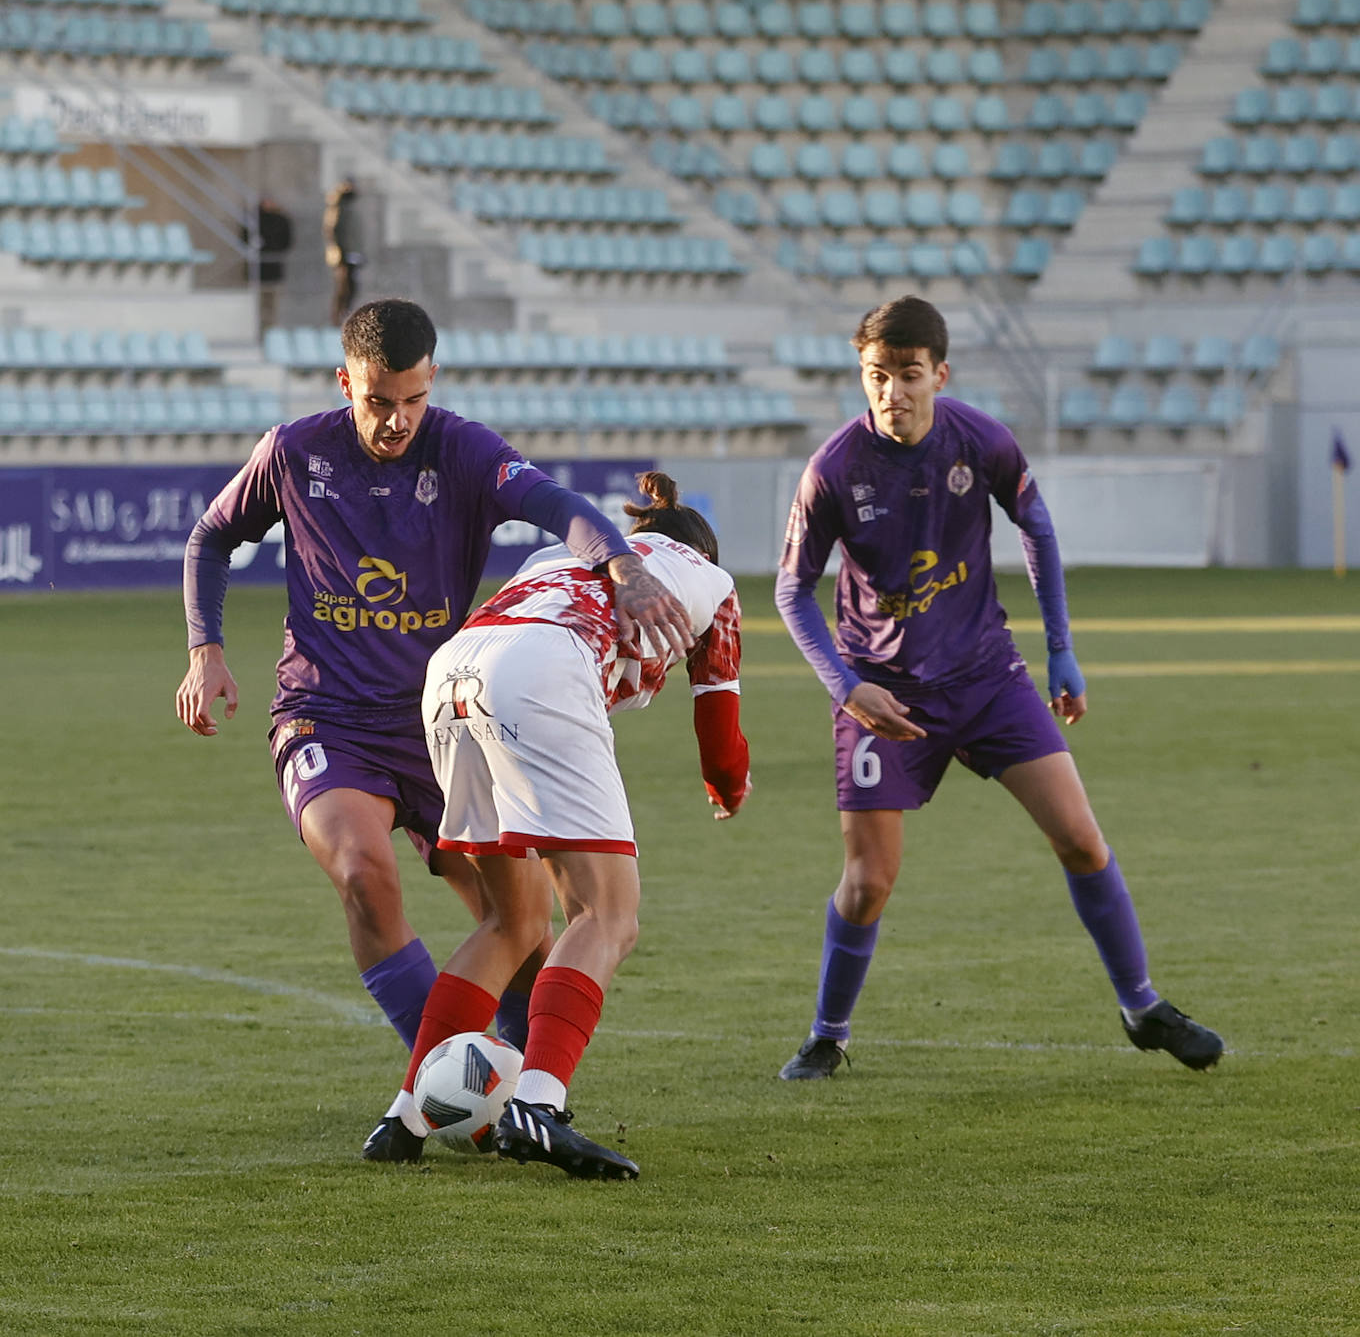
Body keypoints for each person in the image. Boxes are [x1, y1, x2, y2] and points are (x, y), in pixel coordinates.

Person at [175, 299, 694, 1064]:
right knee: (362, 872)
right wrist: (205, 649)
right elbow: (212, 536)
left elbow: (555, 505)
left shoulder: (463, 451)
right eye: (378, 401)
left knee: (519, 928)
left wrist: (621, 564)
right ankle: (448, 1077)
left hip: (443, 723)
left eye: (412, 399)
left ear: (433, 380)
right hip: (325, 716)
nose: (396, 420)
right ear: (344, 382)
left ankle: (511, 1090)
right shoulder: (294, 451)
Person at [773, 295, 1223, 1081]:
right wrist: (846, 688)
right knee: (868, 882)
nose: (892, 392)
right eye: (877, 376)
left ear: (939, 374)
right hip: (886, 698)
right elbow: (790, 591)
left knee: (1081, 839)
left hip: (986, 677)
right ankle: (827, 1033)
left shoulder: (979, 441)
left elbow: (1037, 529)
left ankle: (1143, 1007)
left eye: (909, 375)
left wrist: (1061, 653)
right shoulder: (834, 471)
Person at [362, 473, 751, 1179]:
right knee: (607, 914)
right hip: (543, 669)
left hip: (454, 673)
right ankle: (538, 1106)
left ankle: (406, 1114)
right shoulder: (714, 583)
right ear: (703, 550)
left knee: (511, 923)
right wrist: (727, 786)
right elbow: (718, 722)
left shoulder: (561, 559)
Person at [251, 197, 293, 335]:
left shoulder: (280, 220)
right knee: (259, 303)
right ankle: (261, 331)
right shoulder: (255, 221)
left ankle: (271, 331)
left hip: (274, 266)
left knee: (273, 302)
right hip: (259, 268)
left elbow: (287, 241)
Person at [322, 178, 361, 327]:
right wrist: (341, 252)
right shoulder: (337, 208)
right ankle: (338, 319)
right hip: (343, 256)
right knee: (343, 288)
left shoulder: (349, 207)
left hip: (351, 255)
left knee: (351, 287)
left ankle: (345, 315)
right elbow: (333, 232)